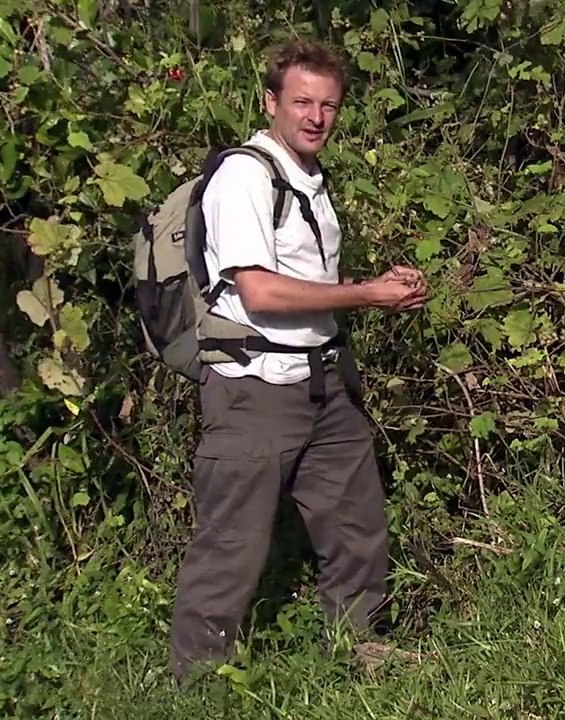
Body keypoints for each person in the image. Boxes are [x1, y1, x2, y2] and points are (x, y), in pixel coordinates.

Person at [168, 38, 426, 683]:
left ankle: (359, 648)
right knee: (231, 545)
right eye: (301, 101)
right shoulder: (245, 176)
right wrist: (368, 295)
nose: (315, 116)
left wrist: (377, 286)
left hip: (323, 382)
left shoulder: (307, 177)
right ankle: (198, 681)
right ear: (271, 103)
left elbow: (307, 280)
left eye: (328, 104)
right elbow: (261, 290)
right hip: (255, 389)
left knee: (356, 526)